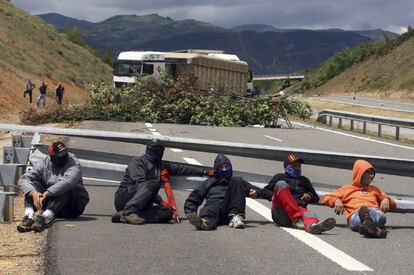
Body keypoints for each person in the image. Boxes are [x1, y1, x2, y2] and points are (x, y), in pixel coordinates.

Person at [112, 140, 211, 225]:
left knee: (167, 212)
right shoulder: (138, 162)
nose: (157, 152)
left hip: (143, 203)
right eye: (155, 148)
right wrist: (158, 199)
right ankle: (128, 212)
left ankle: (123, 215)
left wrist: (204, 172)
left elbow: (181, 169)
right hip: (125, 198)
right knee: (151, 183)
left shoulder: (161, 165)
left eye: (159, 149)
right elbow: (140, 182)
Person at [17, 141, 90, 233]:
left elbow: (69, 181)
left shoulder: (74, 162)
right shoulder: (44, 163)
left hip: (72, 206)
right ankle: (29, 216)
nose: (63, 157)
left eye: (65, 154)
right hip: (52, 203)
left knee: (66, 187)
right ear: (52, 157)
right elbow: (24, 179)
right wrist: (33, 193)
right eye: (60, 156)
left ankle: (45, 218)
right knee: (33, 184)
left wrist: (47, 193)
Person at [184, 154, 263, 230]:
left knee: (238, 179)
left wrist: (259, 193)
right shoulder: (209, 182)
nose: (224, 169)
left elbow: (259, 190)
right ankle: (204, 224)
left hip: (229, 211)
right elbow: (195, 196)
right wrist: (190, 212)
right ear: (217, 169)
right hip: (213, 209)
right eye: (221, 167)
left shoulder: (236, 182)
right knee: (209, 209)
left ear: (230, 168)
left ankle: (235, 218)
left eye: (226, 167)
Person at [261, 154, 336, 234]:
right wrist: (273, 196)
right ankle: (297, 218)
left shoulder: (304, 180)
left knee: (310, 213)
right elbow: (264, 191)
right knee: (281, 184)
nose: (298, 168)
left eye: (299, 166)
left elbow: (315, 198)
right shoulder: (279, 177)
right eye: (295, 166)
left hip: (299, 211)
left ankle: (313, 226)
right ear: (287, 167)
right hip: (282, 213)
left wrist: (309, 195)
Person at [322, 159, 395, 238]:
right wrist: (336, 201)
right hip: (355, 213)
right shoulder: (347, 188)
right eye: (368, 172)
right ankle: (370, 226)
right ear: (359, 173)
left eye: (372, 173)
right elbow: (327, 197)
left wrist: (386, 199)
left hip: (373, 211)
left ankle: (368, 228)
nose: (371, 176)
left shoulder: (375, 189)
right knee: (356, 220)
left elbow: (393, 203)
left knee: (381, 217)